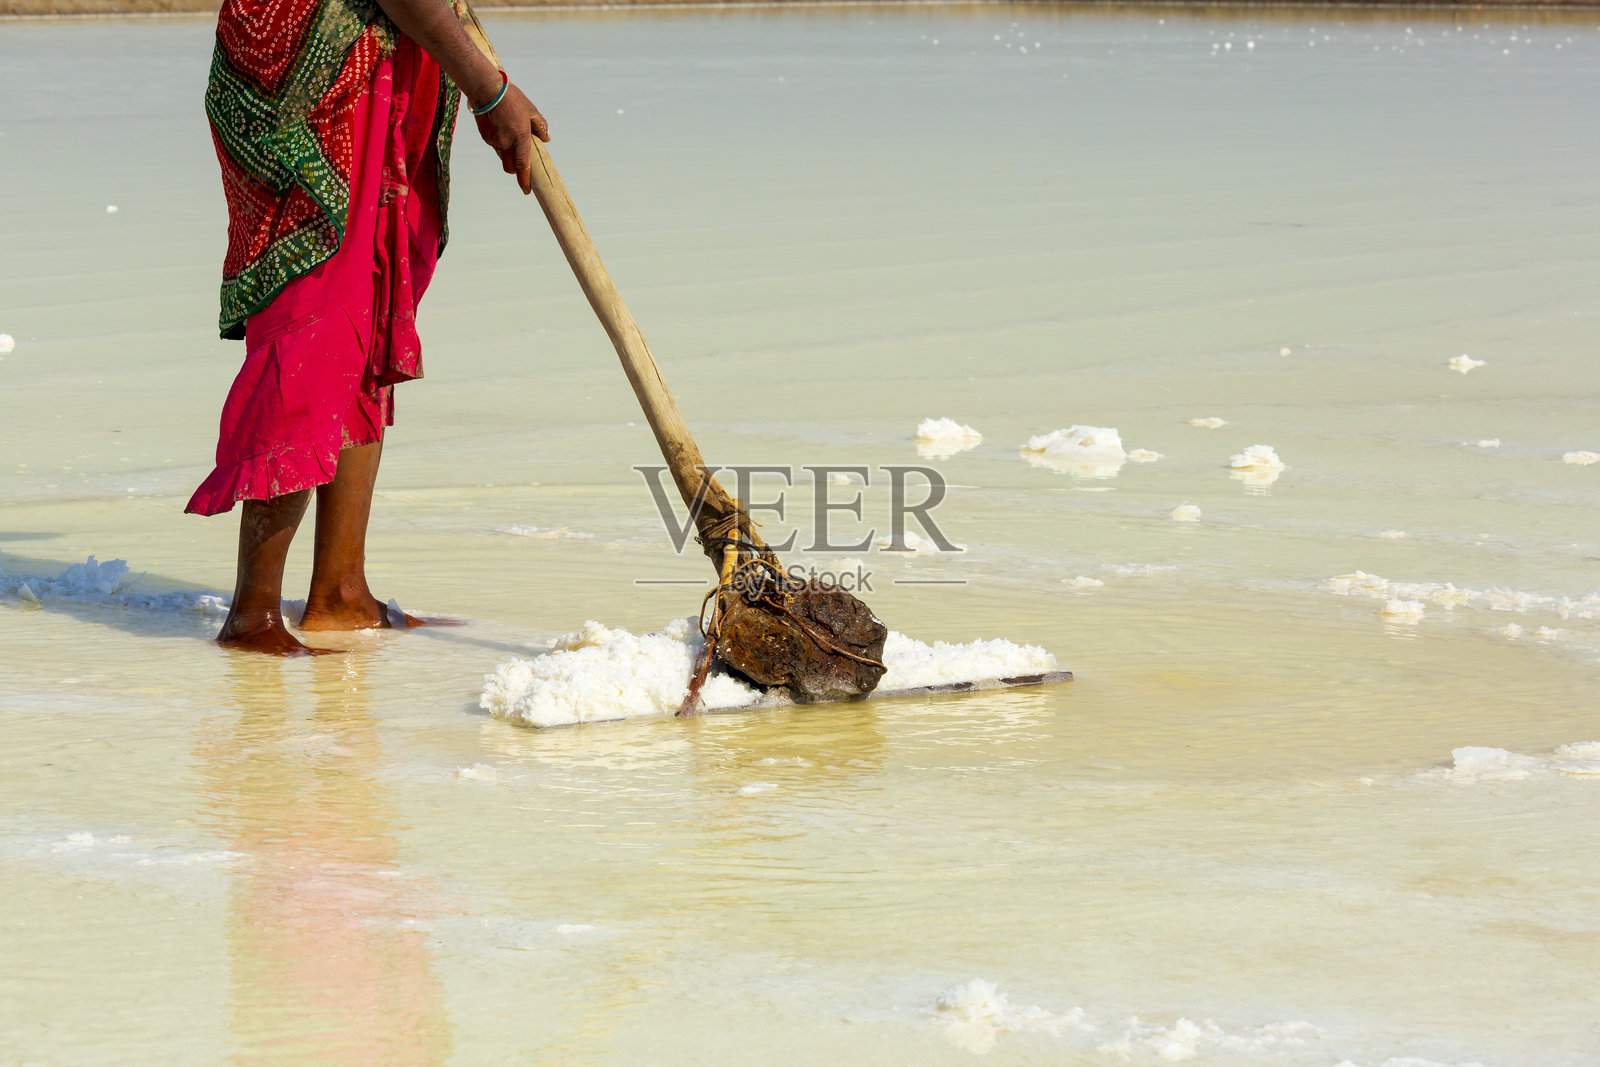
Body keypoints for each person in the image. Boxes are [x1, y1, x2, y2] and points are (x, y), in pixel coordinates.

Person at [187, 0, 546, 653]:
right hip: (310, 77)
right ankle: (254, 612)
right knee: (314, 319)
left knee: (370, 306)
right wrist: (489, 91)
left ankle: (340, 592)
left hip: (377, 53)